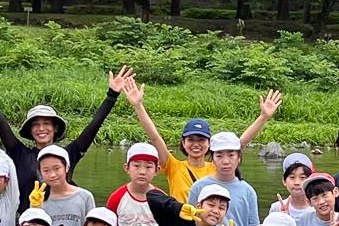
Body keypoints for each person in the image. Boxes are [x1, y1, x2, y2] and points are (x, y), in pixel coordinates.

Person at [0, 56, 132, 199]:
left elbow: (93, 126)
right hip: (27, 224)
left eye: (46, 124)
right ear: (30, 130)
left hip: (60, 221)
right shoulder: (19, 154)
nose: (41, 128)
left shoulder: (68, 154)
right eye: (36, 125)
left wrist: (112, 95)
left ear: (55, 128)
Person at [119, 79, 282, 200]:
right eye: (191, 139)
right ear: (183, 143)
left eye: (201, 140)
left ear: (209, 144)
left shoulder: (217, 168)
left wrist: (263, 117)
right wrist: (138, 106)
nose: (196, 144)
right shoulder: (173, 167)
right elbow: (155, 138)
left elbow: (239, 144)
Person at [106, 142, 166, 226]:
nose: (142, 171)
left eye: (148, 167)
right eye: (136, 166)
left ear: (157, 170)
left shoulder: (162, 198)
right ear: (127, 168)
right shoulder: (117, 198)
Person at [30, 145, 96, 226]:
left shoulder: (85, 197)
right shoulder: (38, 199)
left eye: (57, 168)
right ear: (40, 172)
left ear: (67, 167)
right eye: (46, 170)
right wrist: (34, 209)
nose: (52, 175)